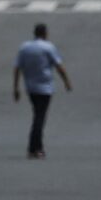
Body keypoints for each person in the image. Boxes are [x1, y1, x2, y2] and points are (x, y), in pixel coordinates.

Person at [14, 24, 72, 159]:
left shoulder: (25, 47)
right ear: (45, 33)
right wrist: (66, 82)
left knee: (37, 115)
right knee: (39, 117)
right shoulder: (48, 47)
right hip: (45, 88)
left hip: (30, 88)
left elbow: (17, 67)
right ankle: (36, 148)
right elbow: (59, 66)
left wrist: (16, 88)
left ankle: (33, 148)